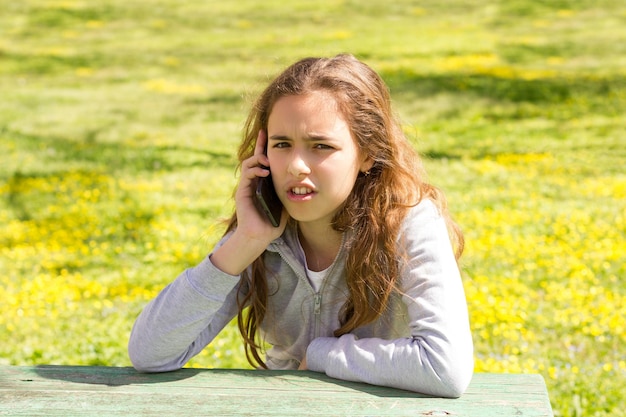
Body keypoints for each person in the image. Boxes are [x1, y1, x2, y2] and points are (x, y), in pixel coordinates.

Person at [128, 54, 474, 397]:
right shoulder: (262, 232)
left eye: (320, 146)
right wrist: (245, 241)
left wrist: (322, 354)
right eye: (282, 144)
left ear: (367, 153)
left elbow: (444, 368)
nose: (296, 165)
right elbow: (151, 353)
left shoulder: (408, 222)